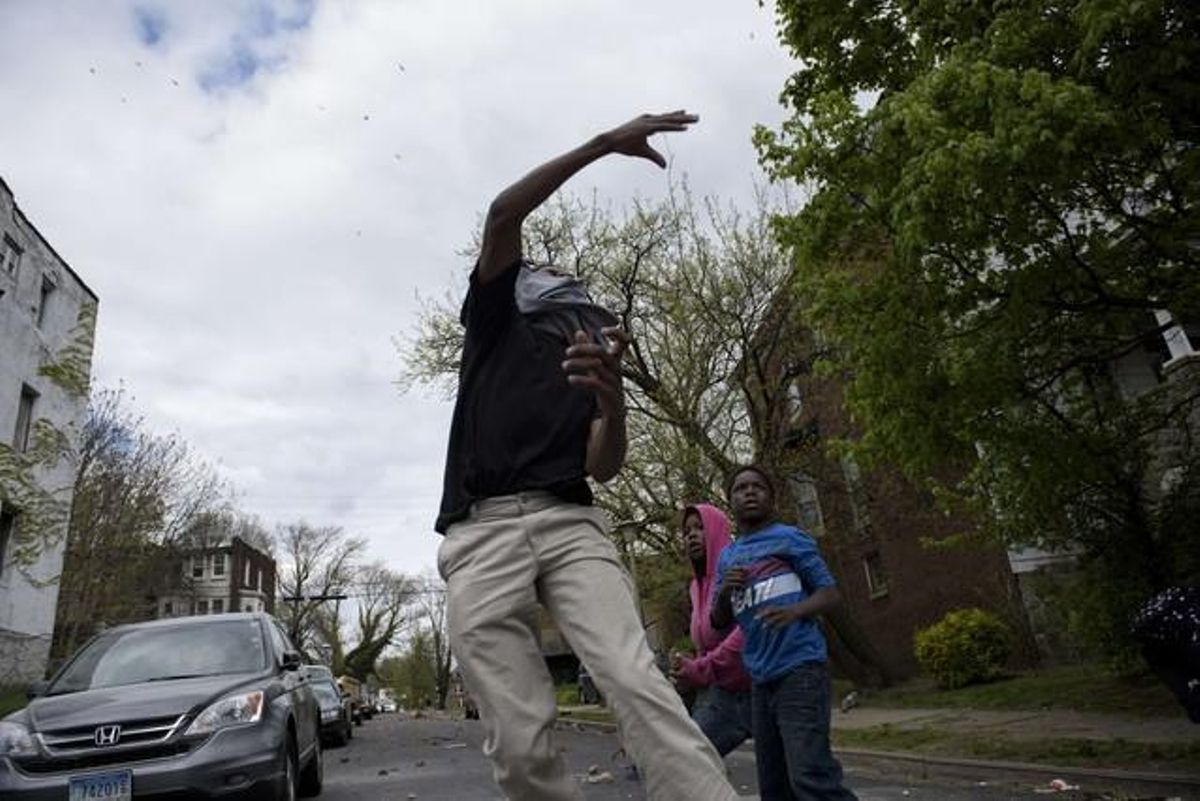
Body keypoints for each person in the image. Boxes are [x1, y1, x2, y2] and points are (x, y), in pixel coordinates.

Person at [434, 111, 739, 801]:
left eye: (556, 270)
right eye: (535, 264)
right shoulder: (493, 318)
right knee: (517, 734)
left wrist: (615, 403)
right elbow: (504, 212)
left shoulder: (589, 345)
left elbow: (602, 465)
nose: (547, 269)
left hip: (571, 522)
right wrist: (605, 144)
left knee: (634, 677)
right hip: (482, 531)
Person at [712, 465, 858, 801]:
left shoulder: (790, 538)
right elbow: (719, 621)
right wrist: (723, 592)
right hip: (760, 679)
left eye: (757, 487)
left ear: (771, 496)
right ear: (730, 501)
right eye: (741, 488)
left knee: (809, 775)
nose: (749, 492)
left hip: (800, 669)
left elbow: (830, 594)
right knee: (775, 787)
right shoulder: (728, 558)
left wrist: (795, 611)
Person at [671, 503, 754, 756]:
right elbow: (706, 643)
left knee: (798, 780)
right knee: (687, 761)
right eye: (686, 532)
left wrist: (700, 669)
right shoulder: (696, 588)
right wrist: (686, 669)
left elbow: (747, 631)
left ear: (717, 530)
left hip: (757, 687)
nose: (692, 535)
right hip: (721, 692)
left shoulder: (738, 569)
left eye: (700, 528)